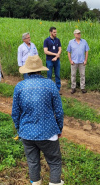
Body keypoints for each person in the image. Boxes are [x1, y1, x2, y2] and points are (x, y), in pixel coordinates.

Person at [12, 55, 64, 185]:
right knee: (54, 161)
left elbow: (15, 113)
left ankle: (35, 182)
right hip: (48, 132)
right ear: (41, 70)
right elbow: (58, 111)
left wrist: (20, 129)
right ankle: (55, 182)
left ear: (27, 71)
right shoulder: (50, 85)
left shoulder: (19, 87)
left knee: (33, 162)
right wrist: (59, 128)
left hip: (27, 133)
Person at [67, 29, 89, 94]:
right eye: (77, 33)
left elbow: (86, 51)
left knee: (82, 75)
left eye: (79, 33)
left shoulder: (84, 42)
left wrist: (85, 60)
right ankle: (73, 88)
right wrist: (70, 60)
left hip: (82, 61)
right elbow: (68, 52)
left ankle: (82, 88)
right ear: (74, 35)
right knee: (73, 75)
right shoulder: (71, 42)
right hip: (74, 61)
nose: (79, 34)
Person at [43, 27, 62, 95]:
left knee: (57, 74)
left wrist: (57, 56)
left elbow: (60, 49)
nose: (55, 33)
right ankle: (49, 89)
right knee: (49, 75)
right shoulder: (46, 40)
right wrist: (55, 54)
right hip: (49, 60)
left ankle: (57, 89)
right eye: (54, 32)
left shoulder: (58, 40)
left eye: (56, 32)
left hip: (57, 60)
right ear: (50, 32)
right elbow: (46, 51)